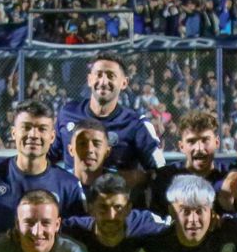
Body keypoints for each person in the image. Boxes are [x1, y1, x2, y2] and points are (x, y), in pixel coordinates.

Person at [0, 100, 86, 244]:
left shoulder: (69, 185)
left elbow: (77, 239)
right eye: (26, 127)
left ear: (52, 137)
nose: (34, 135)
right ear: (13, 133)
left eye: (42, 129)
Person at [50, 52, 165, 186]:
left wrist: (126, 181)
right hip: (72, 204)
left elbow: (160, 171)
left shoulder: (136, 124)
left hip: (114, 205)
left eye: (111, 76)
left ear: (124, 83)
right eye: (98, 75)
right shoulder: (67, 113)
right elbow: (48, 158)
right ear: (89, 79)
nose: (103, 82)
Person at [149, 111, 226, 215]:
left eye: (205, 140)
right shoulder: (166, 178)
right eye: (191, 141)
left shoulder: (228, 177)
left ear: (217, 143)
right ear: (181, 146)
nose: (199, 148)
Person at [68, 118, 113, 192]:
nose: (89, 150)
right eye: (82, 144)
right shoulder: (57, 183)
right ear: (71, 150)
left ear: (107, 151)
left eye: (97, 144)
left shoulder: (121, 184)